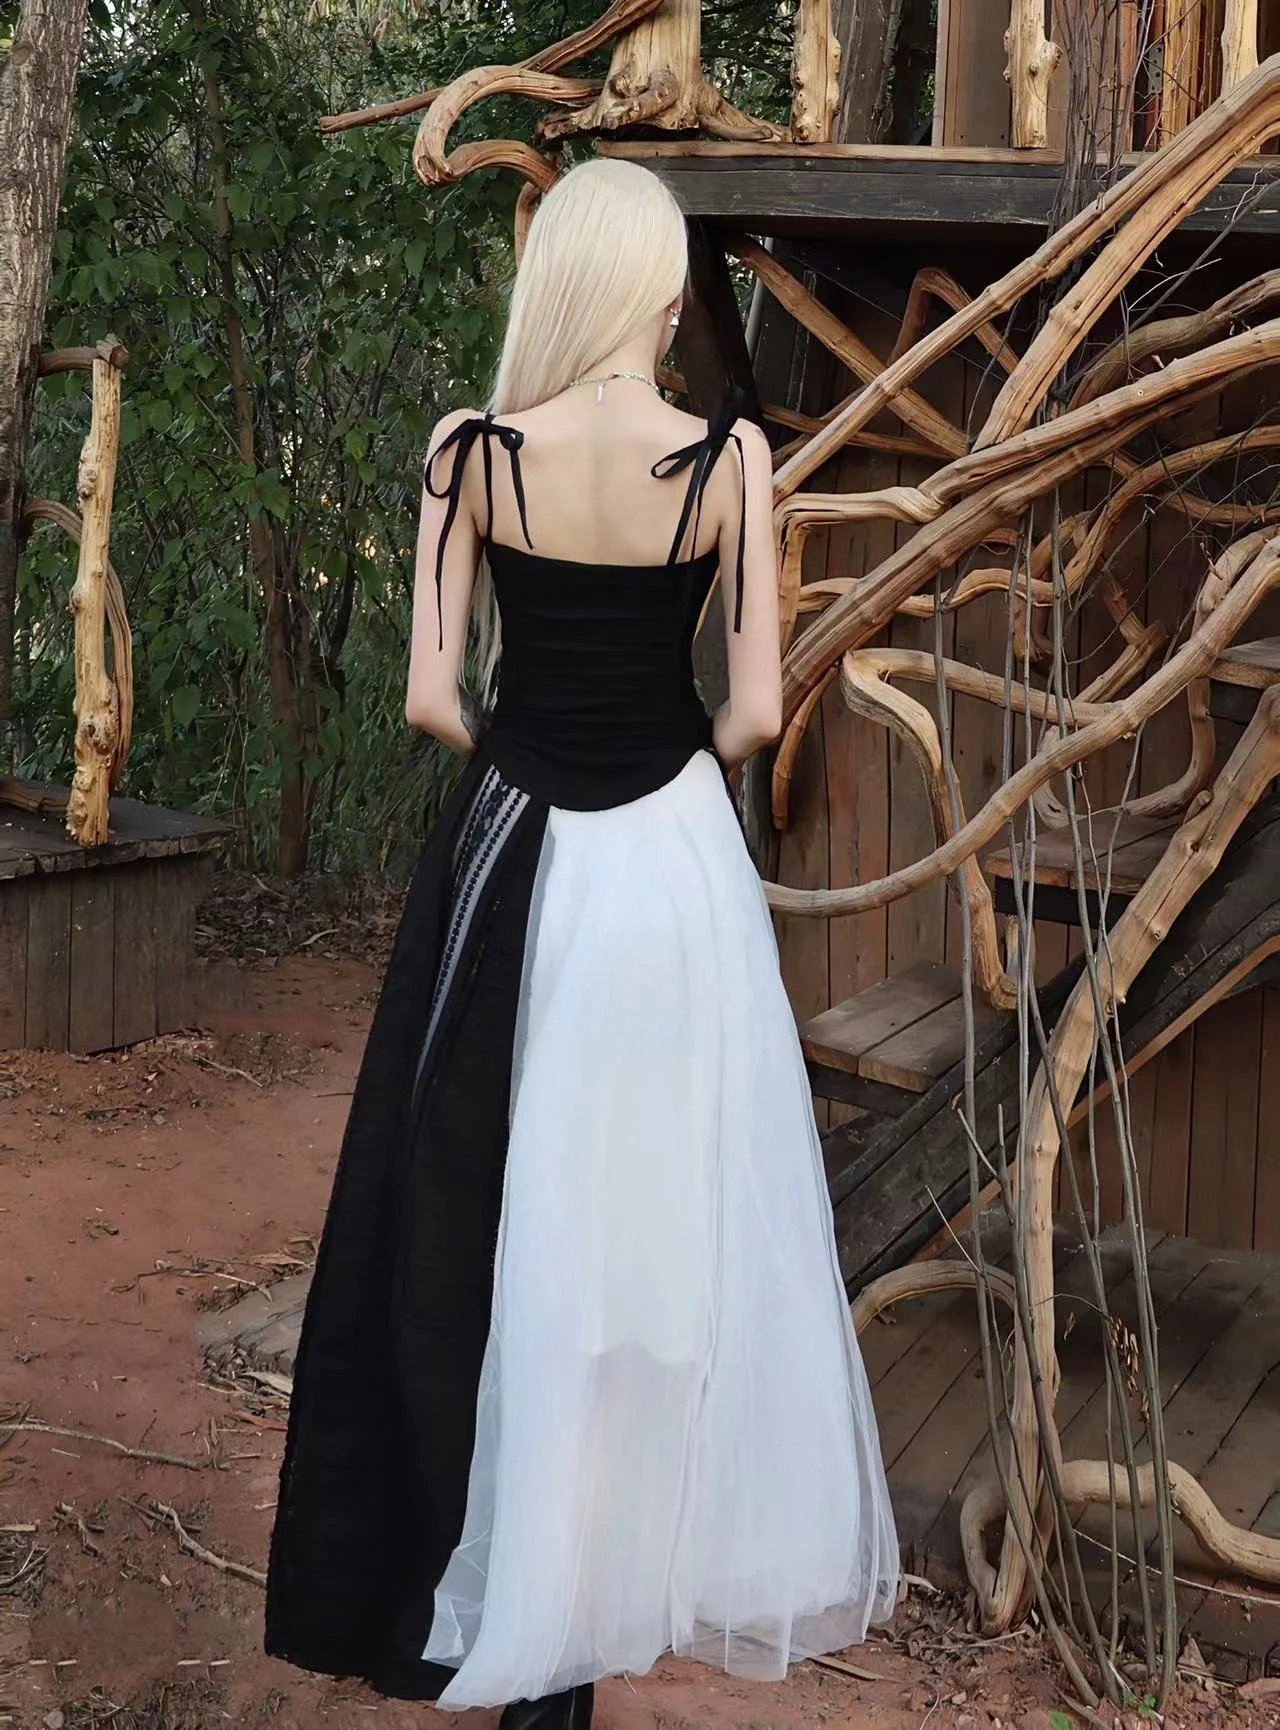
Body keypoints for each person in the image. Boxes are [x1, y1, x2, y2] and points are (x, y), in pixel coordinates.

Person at [264, 157, 898, 1728]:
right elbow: (755, 710)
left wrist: (524, 761)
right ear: (666, 297)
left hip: (520, 852)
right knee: (643, 1239)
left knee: (487, 1213)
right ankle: (594, 1601)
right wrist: (662, 774)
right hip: (670, 873)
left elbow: (430, 694)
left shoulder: (472, 454)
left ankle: (514, 1601)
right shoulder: (730, 460)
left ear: (559, 279)